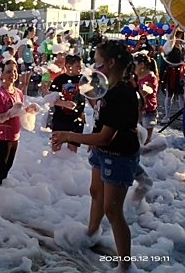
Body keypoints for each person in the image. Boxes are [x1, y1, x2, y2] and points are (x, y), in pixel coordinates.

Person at [52, 40, 140, 272]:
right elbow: (101, 122)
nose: (93, 66)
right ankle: (91, 232)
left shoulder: (121, 94)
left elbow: (106, 137)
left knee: (113, 210)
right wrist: (93, 137)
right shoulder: (108, 88)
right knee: (95, 192)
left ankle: (125, 265)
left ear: (111, 63)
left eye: (98, 62)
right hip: (102, 152)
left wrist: (68, 135)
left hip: (119, 156)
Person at [0, 60, 25, 186]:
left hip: (14, 135)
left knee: (8, 167)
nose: (13, 74)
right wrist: (10, 113)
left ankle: (2, 191)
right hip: (1, 137)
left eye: (15, 71)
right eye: (8, 71)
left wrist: (29, 111)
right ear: (1, 75)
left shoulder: (18, 92)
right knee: (0, 169)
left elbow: (19, 112)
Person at [49, 54, 85, 153]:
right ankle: (53, 167)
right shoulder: (59, 80)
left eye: (81, 67)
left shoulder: (83, 79)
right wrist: (64, 103)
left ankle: (69, 168)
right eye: (78, 67)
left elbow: (91, 96)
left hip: (77, 119)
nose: (80, 69)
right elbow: (51, 99)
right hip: (61, 117)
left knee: (72, 150)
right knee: (56, 145)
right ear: (69, 66)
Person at [134, 53, 159, 145]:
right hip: (139, 110)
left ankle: (146, 157)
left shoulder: (151, 78)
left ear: (142, 65)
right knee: (138, 136)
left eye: (135, 65)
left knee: (146, 139)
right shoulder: (137, 77)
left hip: (149, 111)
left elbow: (142, 93)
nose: (133, 68)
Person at [18, 27, 35, 96]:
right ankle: (16, 95)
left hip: (29, 62)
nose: (34, 34)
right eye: (33, 32)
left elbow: (31, 53)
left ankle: (25, 95)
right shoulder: (24, 41)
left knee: (27, 82)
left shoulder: (30, 41)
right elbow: (20, 52)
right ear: (28, 32)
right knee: (22, 82)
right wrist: (21, 63)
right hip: (24, 62)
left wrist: (33, 62)